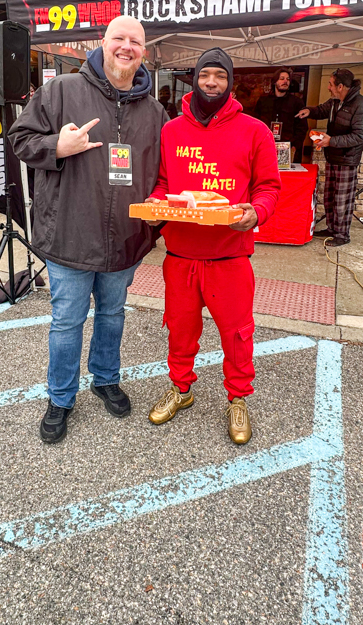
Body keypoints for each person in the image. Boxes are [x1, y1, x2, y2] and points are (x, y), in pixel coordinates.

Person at [9, 16, 167, 444]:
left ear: (144, 52)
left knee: (113, 315)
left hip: (125, 237)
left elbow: (163, 174)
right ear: (103, 42)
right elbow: (20, 138)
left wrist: (159, 213)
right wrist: (56, 146)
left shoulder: (155, 112)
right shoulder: (61, 91)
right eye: (119, 38)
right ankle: (60, 398)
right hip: (70, 234)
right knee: (67, 322)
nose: (127, 47)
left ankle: (105, 379)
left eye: (136, 42)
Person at [147, 48, 281, 445]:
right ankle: (181, 389)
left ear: (230, 83)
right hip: (181, 256)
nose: (211, 82)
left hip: (230, 256)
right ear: (194, 79)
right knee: (180, 330)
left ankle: (238, 398)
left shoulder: (255, 131)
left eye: (220, 76)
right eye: (205, 74)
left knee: (237, 334)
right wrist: (155, 206)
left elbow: (269, 187)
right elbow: (163, 184)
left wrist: (257, 212)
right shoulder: (171, 131)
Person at [296, 68, 363, 247]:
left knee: (342, 200)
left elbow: (358, 137)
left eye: (331, 84)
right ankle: (332, 229)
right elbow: (322, 110)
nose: (328, 88)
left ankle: (342, 235)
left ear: (340, 86)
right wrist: (309, 111)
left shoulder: (362, 106)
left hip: (347, 159)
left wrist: (331, 141)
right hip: (332, 156)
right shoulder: (335, 101)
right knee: (330, 196)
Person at [253, 67, 307, 163]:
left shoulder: (296, 102)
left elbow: (302, 127)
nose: (285, 81)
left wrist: (295, 145)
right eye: (282, 78)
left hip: (287, 146)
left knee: (284, 172)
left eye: (288, 79)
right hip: (265, 146)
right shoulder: (263, 101)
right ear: (275, 82)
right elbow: (256, 124)